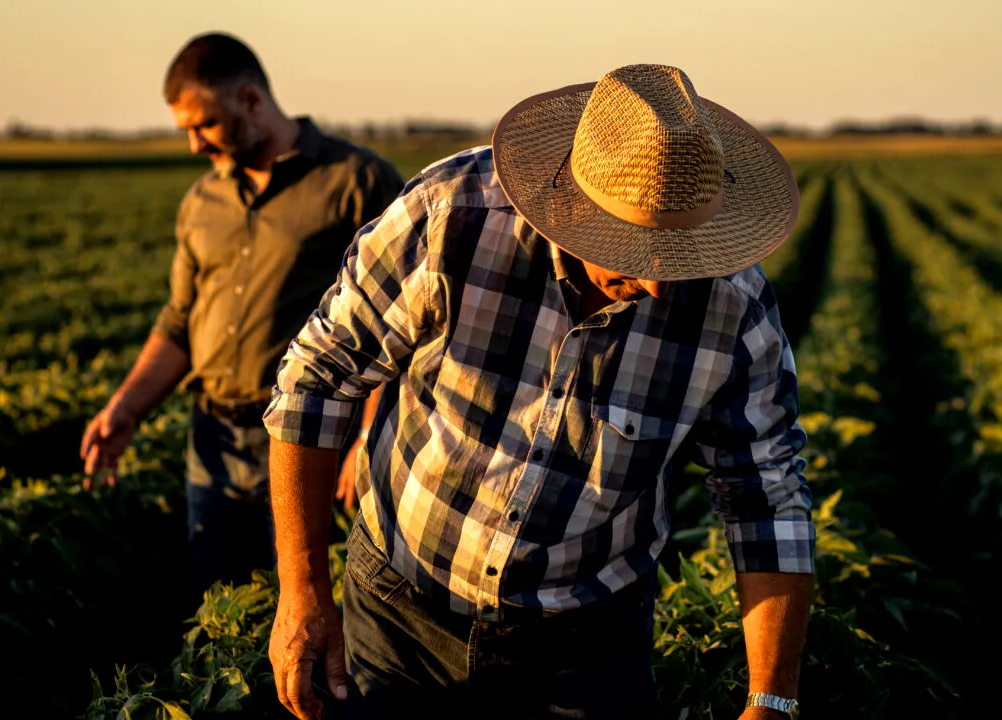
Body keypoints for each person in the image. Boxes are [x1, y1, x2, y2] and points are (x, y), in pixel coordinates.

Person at [264, 64, 812, 720]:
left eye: (683, 248)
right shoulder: (449, 219)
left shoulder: (734, 308)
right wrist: (302, 590)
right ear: (574, 208)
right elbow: (315, 381)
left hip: (588, 643)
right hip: (402, 612)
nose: (663, 285)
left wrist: (771, 699)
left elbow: (768, 500)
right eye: (638, 249)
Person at [79, 32, 402, 594]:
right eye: (186, 130)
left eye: (203, 125)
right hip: (213, 444)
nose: (193, 145)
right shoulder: (201, 202)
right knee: (215, 607)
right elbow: (181, 321)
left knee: (307, 605)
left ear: (251, 100)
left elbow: (397, 325)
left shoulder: (357, 183)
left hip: (311, 438)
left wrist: (368, 437)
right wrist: (125, 408)